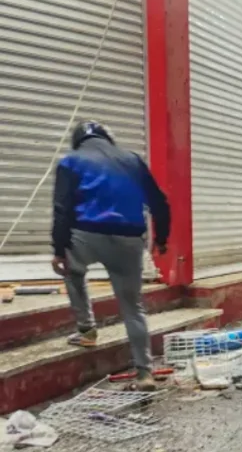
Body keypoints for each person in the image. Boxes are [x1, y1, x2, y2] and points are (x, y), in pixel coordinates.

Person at [52, 121, 170, 391]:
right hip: (128, 240)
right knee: (133, 307)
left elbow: (62, 209)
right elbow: (159, 202)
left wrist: (59, 251)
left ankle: (87, 330)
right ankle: (144, 373)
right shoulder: (131, 160)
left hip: (86, 235)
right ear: (108, 138)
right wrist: (161, 239)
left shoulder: (70, 161)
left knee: (72, 271)